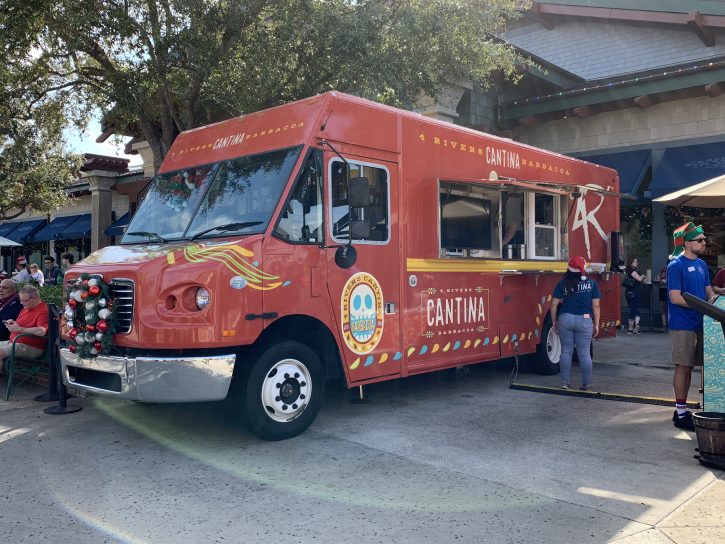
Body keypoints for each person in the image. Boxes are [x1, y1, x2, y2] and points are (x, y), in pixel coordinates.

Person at [667, 222, 717, 431]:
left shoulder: (702, 265)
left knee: (696, 367)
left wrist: (715, 297)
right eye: (700, 240)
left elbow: (708, 292)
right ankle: (680, 412)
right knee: (684, 366)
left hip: (700, 321)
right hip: (682, 324)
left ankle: (684, 408)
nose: (704, 242)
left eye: (704, 239)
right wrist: (701, 305)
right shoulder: (676, 265)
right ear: (687, 243)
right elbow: (675, 298)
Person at [550, 256, 601, 391]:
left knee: (566, 351)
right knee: (584, 353)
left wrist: (554, 321)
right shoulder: (592, 284)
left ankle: (565, 383)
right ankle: (586, 384)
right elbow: (596, 306)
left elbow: (554, 304)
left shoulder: (562, 283)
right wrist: (596, 324)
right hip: (584, 320)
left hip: (565, 319)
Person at [0, 285, 48, 373]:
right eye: (20, 300)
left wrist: (19, 329)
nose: (21, 303)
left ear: (35, 298)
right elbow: (19, 327)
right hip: (15, 342)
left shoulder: (43, 311)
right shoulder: (26, 308)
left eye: (24, 300)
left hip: (31, 347)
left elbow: (41, 331)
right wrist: (12, 324)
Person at [623, 257, 647, 334]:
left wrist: (643, 279)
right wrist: (643, 276)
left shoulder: (632, 271)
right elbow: (639, 279)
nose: (636, 263)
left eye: (636, 261)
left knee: (636, 309)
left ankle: (637, 326)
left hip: (631, 292)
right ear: (631, 263)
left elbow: (640, 281)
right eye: (634, 262)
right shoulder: (631, 271)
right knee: (633, 309)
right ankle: (630, 329)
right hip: (633, 293)